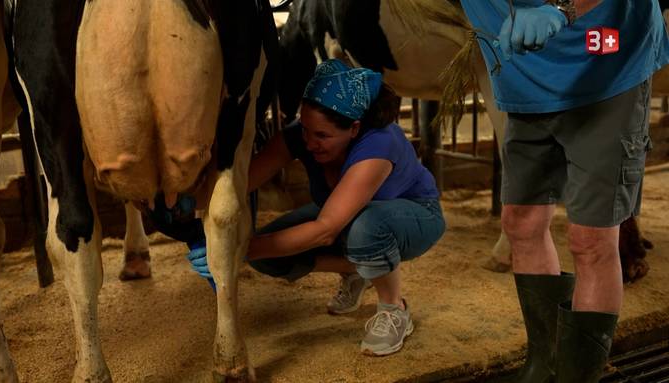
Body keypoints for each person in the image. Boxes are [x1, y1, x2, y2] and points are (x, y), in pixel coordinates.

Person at [458, 0, 669, 382]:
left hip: (605, 63)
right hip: (523, 75)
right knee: (520, 223)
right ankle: (545, 364)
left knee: (590, 238)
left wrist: (562, 8)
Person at [187, 59, 445, 356]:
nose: (309, 143)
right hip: (348, 219)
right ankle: (357, 270)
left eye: (322, 136)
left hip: (413, 216)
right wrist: (180, 201)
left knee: (366, 228)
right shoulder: (303, 136)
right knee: (269, 256)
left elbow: (325, 230)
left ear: (354, 129)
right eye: (306, 129)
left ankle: (394, 309)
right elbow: (240, 184)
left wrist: (236, 250)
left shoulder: (378, 146)